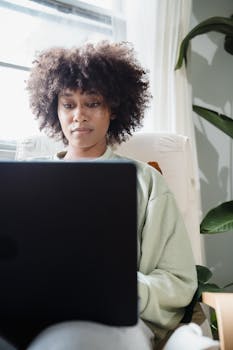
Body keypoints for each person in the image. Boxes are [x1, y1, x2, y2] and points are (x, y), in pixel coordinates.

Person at [4, 41, 197, 350]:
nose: (79, 115)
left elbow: (179, 281)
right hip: (27, 316)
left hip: (111, 324)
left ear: (114, 109)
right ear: (55, 111)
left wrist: (120, 288)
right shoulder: (20, 179)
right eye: (68, 105)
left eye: (92, 103)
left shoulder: (146, 181)